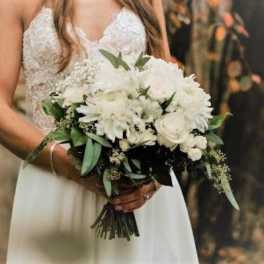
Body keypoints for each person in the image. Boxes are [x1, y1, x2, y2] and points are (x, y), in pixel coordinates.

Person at [0, 0, 199, 263]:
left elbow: (168, 86)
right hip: (53, 181)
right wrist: (69, 165)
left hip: (136, 192)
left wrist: (152, 179)